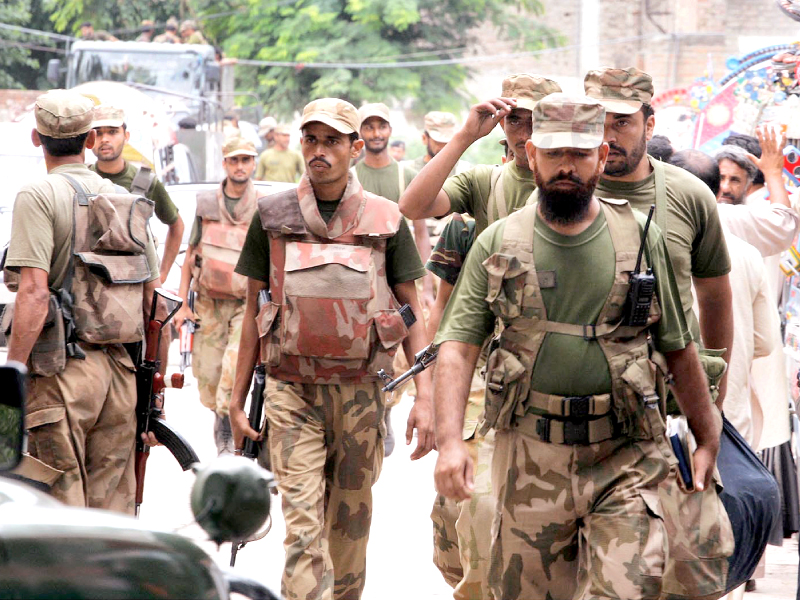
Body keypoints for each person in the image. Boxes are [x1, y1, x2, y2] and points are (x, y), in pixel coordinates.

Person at [433, 92, 721, 600]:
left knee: (627, 591)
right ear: (530, 156)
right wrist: (451, 442)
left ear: (602, 156)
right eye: (554, 153)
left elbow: (678, 345)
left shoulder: (640, 237)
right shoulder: (498, 241)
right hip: (530, 457)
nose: (567, 166)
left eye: (581, 154)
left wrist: (708, 435)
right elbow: (458, 348)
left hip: (626, 454)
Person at [229, 98, 435, 600]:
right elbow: (256, 313)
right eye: (311, 139)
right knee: (303, 531)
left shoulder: (386, 220)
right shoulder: (272, 215)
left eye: (332, 141)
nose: (319, 151)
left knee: (348, 534)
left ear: (355, 148)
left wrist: (425, 397)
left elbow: (413, 311)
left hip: (362, 395)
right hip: (291, 393)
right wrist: (235, 400)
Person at [586, 65, 735, 598]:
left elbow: (715, 295)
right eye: (597, 120)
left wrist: (711, 392)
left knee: (689, 571)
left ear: (650, 122)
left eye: (622, 122)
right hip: (580, 413)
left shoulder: (690, 196)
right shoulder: (559, 195)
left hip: (669, 411)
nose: (607, 134)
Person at [4, 90, 161, 513]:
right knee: (111, 518)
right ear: (90, 140)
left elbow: (34, 293)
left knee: (58, 514)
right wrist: (150, 392)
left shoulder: (37, 195)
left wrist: (12, 374)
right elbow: (153, 302)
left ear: (37, 139)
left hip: (61, 375)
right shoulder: (125, 200)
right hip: (120, 377)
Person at [173, 137, 260, 455]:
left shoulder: (262, 206)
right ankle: (219, 414)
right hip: (208, 303)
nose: (240, 166)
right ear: (225, 164)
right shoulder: (207, 204)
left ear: (253, 164)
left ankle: (226, 426)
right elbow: (191, 255)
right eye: (234, 160)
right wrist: (182, 304)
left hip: (244, 304)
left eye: (246, 160)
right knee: (207, 373)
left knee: (233, 367)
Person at [399, 73, 561, 234]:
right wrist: (466, 136)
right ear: (502, 123)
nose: (524, 135)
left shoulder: (573, 181)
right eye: (515, 121)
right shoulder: (484, 181)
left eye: (535, 122)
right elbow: (412, 208)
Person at [89, 105, 185, 284]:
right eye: (98, 133)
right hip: (90, 282)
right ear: (89, 139)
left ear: (126, 137)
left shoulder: (145, 181)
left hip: (135, 283)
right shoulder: (82, 179)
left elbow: (177, 225)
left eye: (112, 132)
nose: (105, 139)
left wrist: (161, 275)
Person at [412, 111, 471, 175]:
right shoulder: (409, 170)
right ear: (424, 138)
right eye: (438, 142)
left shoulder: (465, 171)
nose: (444, 146)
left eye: (448, 142)